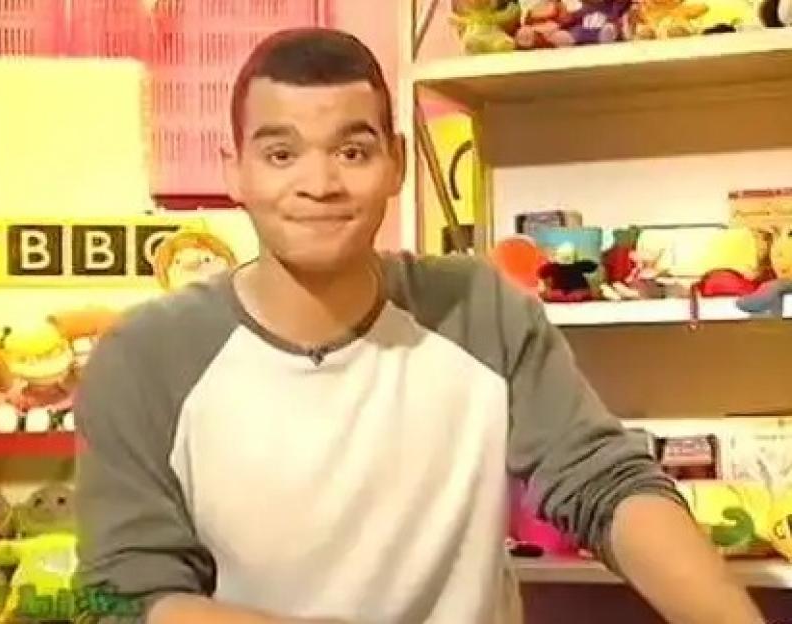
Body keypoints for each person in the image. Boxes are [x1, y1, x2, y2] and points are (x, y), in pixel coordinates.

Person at [73, 28, 766, 624]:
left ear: (395, 163)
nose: (319, 183)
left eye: (351, 151)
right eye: (281, 154)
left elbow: (604, 485)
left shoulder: (478, 311)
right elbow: (121, 597)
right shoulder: (144, 357)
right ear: (237, 172)